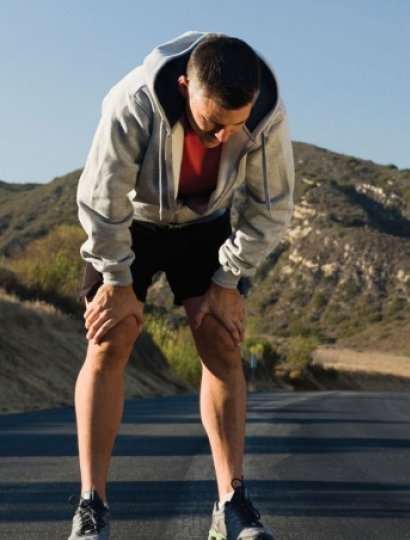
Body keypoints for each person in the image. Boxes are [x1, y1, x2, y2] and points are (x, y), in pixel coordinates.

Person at [70, 31, 294, 540]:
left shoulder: (267, 113)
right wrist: (116, 280)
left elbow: (272, 207)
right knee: (110, 337)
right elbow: (101, 198)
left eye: (235, 126)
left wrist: (228, 279)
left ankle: (231, 505)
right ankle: (91, 506)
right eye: (212, 125)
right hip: (132, 220)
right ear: (184, 87)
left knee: (221, 337)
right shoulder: (133, 100)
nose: (224, 138)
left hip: (204, 223)